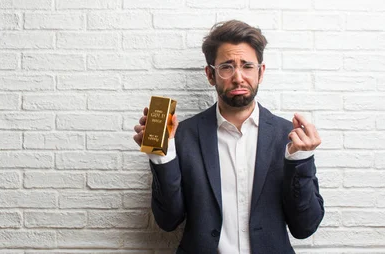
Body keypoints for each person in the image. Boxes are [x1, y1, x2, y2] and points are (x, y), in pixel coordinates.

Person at [133, 20, 324, 254]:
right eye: (226, 66)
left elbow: (305, 227)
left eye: (247, 66)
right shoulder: (183, 136)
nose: (238, 77)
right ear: (210, 75)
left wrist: (300, 160)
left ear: (260, 72)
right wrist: (161, 154)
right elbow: (168, 220)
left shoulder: (290, 138)